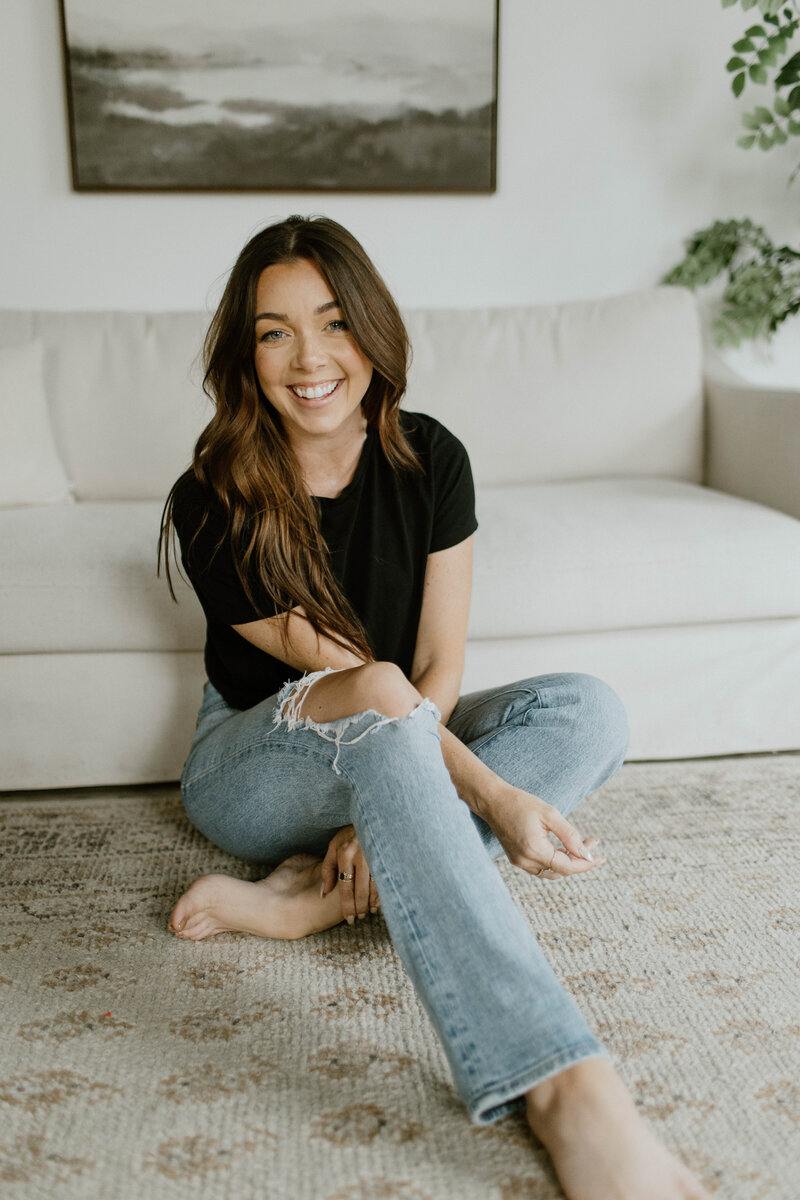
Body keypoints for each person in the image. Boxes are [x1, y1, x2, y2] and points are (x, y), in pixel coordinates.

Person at [158, 215, 711, 1200]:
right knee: (384, 707)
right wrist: (493, 797)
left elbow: (437, 667)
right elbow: (370, 683)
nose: (309, 357)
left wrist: (419, 766)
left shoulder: (432, 457)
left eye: (332, 322)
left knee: (587, 711)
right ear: (244, 356)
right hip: (254, 767)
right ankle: (562, 1088)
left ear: (374, 332)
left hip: (398, 728)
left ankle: (318, 896)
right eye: (273, 331)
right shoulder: (213, 497)